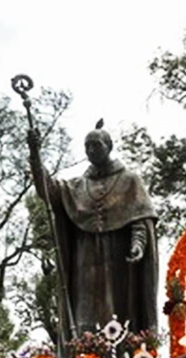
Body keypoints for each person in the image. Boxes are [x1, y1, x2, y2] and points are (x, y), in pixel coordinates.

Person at [27, 120, 159, 338]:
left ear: (109, 146)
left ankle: (123, 353)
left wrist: (138, 244)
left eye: (96, 145)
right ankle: (85, 353)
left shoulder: (129, 181)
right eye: (87, 146)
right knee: (85, 314)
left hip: (119, 259)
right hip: (85, 260)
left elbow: (140, 219)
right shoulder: (77, 186)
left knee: (120, 312)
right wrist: (35, 155)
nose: (91, 150)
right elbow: (48, 190)